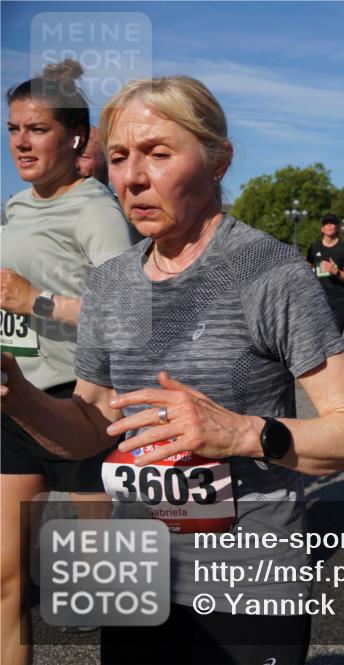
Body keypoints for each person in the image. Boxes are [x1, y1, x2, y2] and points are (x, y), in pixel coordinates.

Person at [1, 75, 344, 665]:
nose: (132, 177)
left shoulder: (271, 273)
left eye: (158, 154)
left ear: (218, 160)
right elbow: (91, 425)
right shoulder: (111, 283)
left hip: (248, 580)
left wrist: (243, 433)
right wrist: (16, 393)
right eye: (119, 157)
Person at [1, 60, 136, 665]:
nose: (21, 143)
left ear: (77, 138)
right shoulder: (13, 206)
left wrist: (36, 301)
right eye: (13, 129)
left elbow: (128, 317)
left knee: (105, 569)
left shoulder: (96, 210)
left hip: (79, 402)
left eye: (37, 129)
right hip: (15, 399)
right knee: (5, 576)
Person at [307, 214, 344, 335]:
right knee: (319, 337)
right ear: (322, 229)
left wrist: (335, 271)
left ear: (337, 227)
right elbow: (307, 266)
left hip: (340, 300)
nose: (328, 225)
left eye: (332, 223)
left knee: (334, 336)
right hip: (319, 300)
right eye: (325, 223)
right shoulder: (314, 247)